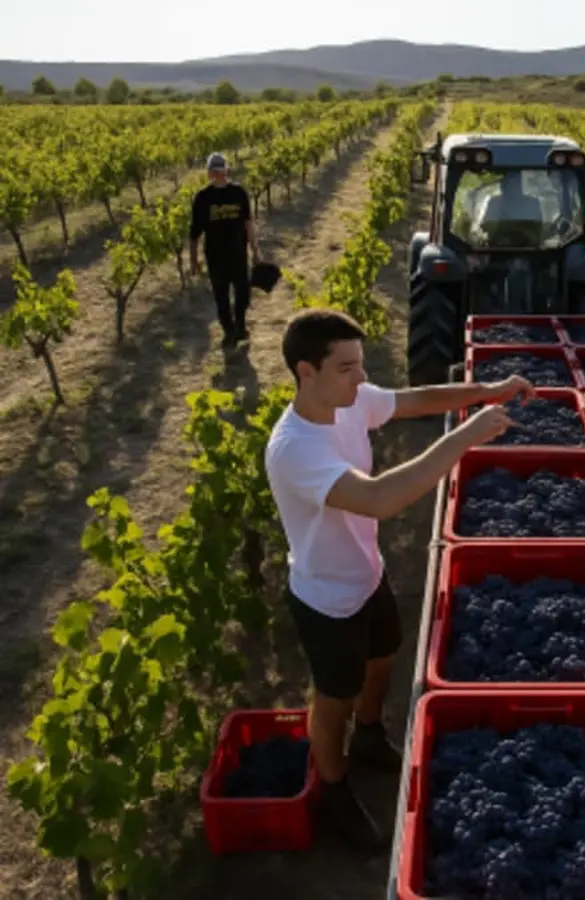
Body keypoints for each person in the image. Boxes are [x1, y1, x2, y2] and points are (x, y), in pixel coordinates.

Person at [263, 307, 533, 853]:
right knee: (333, 700)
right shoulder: (294, 449)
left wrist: (487, 390)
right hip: (327, 599)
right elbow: (379, 498)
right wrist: (465, 437)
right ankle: (333, 788)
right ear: (305, 372)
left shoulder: (349, 400)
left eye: (360, 364)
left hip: (368, 573)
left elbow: (418, 400)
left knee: (384, 655)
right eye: (347, 368)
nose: (361, 378)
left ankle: (369, 735)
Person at [189, 152, 261, 349]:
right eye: (215, 171)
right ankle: (229, 332)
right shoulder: (203, 198)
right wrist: (193, 260)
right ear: (210, 172)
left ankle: (240, 326)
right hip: (215, 257)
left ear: (226, 171)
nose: (218, 174)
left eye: (221, 170)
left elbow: (248, 223)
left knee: (242, 293)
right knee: (221, 296)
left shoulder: (239, 192)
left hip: (238, 254)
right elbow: (194, 232)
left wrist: (255, 250)